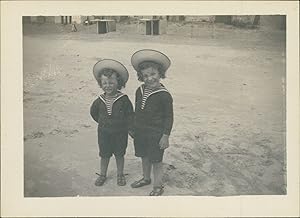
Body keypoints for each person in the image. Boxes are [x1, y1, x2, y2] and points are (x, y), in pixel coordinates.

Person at [130, 49, 174, 196]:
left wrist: (165, 136)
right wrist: (133, 128)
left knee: (156, 160)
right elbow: (137, 110)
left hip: (156, 133)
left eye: (153, 74)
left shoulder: (164, 95)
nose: (150, 78)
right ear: (141, 77)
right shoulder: (140, 90)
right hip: (141, 131)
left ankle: (158, 185)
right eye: (146, 75)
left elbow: (169, 117)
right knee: (144, 155)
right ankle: (146, 178)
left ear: (160, 73)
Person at [90, 59, 133, 186]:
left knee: (120, 154)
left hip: (120, 133)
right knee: (104, 155)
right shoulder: (99, 100)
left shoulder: (124, 99)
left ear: (118, 83)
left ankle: (120, 174)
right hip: (104, 133)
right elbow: (93, 113)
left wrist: (129, 128)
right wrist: (103, 122)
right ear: (100, 84)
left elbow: (130, 115)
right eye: (104, 83)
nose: (108, 85)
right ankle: (103, 174)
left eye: (111, 82)